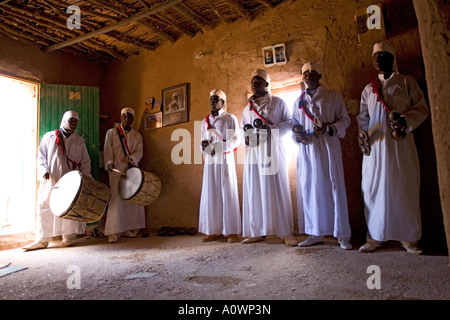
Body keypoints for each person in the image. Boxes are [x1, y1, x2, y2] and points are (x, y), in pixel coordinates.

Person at [357, 42, 429, 254]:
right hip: (375, 148)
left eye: (383, 55)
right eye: (375, 56)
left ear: (392, 58)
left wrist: (405, 122)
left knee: (403, 187)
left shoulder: (406, 82)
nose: (378, 59)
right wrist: (363, 134)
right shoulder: (368, 89)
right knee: (373, 189)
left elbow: (421, 109)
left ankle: (408, 238)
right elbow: (363, 117)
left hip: (400, 146)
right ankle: (374, 237)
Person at [293, 62, 352, 250]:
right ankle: (315, 232)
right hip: (308, 150)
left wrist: (329, 128)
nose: (309, 76)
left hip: (327, 147)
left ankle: (342, 235)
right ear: (302, 78)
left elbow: (346, 119)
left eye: (313, 73)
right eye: (305, 74)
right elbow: (295, 125)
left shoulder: (332, 95)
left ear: (320, 76)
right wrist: (298, 135)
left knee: (333, 185)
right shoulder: (298, 101)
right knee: (310, 189)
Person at [240, 69, 297, 246]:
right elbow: (243, 132)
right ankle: (257, 231)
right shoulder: (246, 109)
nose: (254, 84)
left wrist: (270, 130)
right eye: (252, 82)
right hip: (255, 154)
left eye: (258, 81)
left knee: (277, 189)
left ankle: (285, 232)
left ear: (266, 84)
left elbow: (289, 124)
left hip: (273, 152)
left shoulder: (279, 103)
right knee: (255, 190)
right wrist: (248, 139)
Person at [23, 110, 91, 251]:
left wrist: (85, 177)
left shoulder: (79, 140)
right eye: (70, 120)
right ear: (64, 120)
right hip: (52, 179)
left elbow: (85, 160)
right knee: (45, 205)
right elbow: (41, 156)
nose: (73, 123)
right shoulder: (49, 137)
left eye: (75, 122)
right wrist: (44, 172)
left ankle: (68, 237)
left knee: (70, 206)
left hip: (71, 180)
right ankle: (42, 239)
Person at [199, 89, 241, 243]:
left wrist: (219, 147)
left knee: (226, 191)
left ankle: (231, 231)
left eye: (216, 98)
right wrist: (203, 146)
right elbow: (202, 141)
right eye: (210, 98)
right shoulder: (205, 121)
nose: (212, 101)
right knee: (211, 192)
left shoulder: (230, 118)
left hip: (224, 159)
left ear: (223, 102)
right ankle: (213, 230)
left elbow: (235, 140)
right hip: (210, 161)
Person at [104, 107, 145, 243]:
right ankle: (113, 231)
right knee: (116, 198)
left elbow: (139, 152)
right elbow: (107, 150)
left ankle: (128, 227)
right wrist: (109, 163)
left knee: (132, 198)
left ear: (133, 119)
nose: (127, 118)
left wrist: (132, 159)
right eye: (124, 116)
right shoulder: (112, 133)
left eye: (130, 116)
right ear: (121, 117)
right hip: (117, 170)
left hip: (132, 169)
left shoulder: (137, 136)